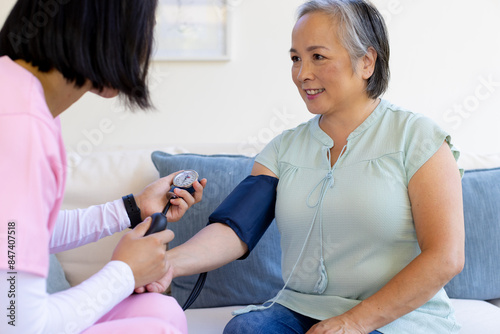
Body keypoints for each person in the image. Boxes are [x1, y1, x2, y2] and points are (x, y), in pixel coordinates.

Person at [140, 0, 465, 333]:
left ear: (366, 62)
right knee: (245, 329)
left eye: (318, 57)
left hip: (400, 319)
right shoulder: (284, 148)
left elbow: (446, 256)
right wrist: (167, 263)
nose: (301, 74)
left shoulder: (418, 138)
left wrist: (352, 323)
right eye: (296, 58)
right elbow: (236, 229)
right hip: (301, 310)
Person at [0, 0, 206, 333]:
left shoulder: (18, 93)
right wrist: (125, 272)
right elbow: (16, 323)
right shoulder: (21, 126)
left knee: (161, 310)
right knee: (160, 328)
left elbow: (21, 235)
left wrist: (133, 208)